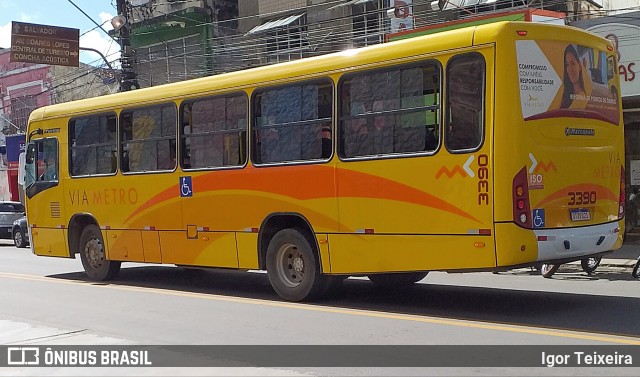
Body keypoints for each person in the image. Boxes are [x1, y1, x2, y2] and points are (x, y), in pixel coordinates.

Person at [561, 44, 588, 109]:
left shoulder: (581, 97)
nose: (570, 70)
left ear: (579, 66)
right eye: (567, 65)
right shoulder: (567, 94)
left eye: (573, 63)